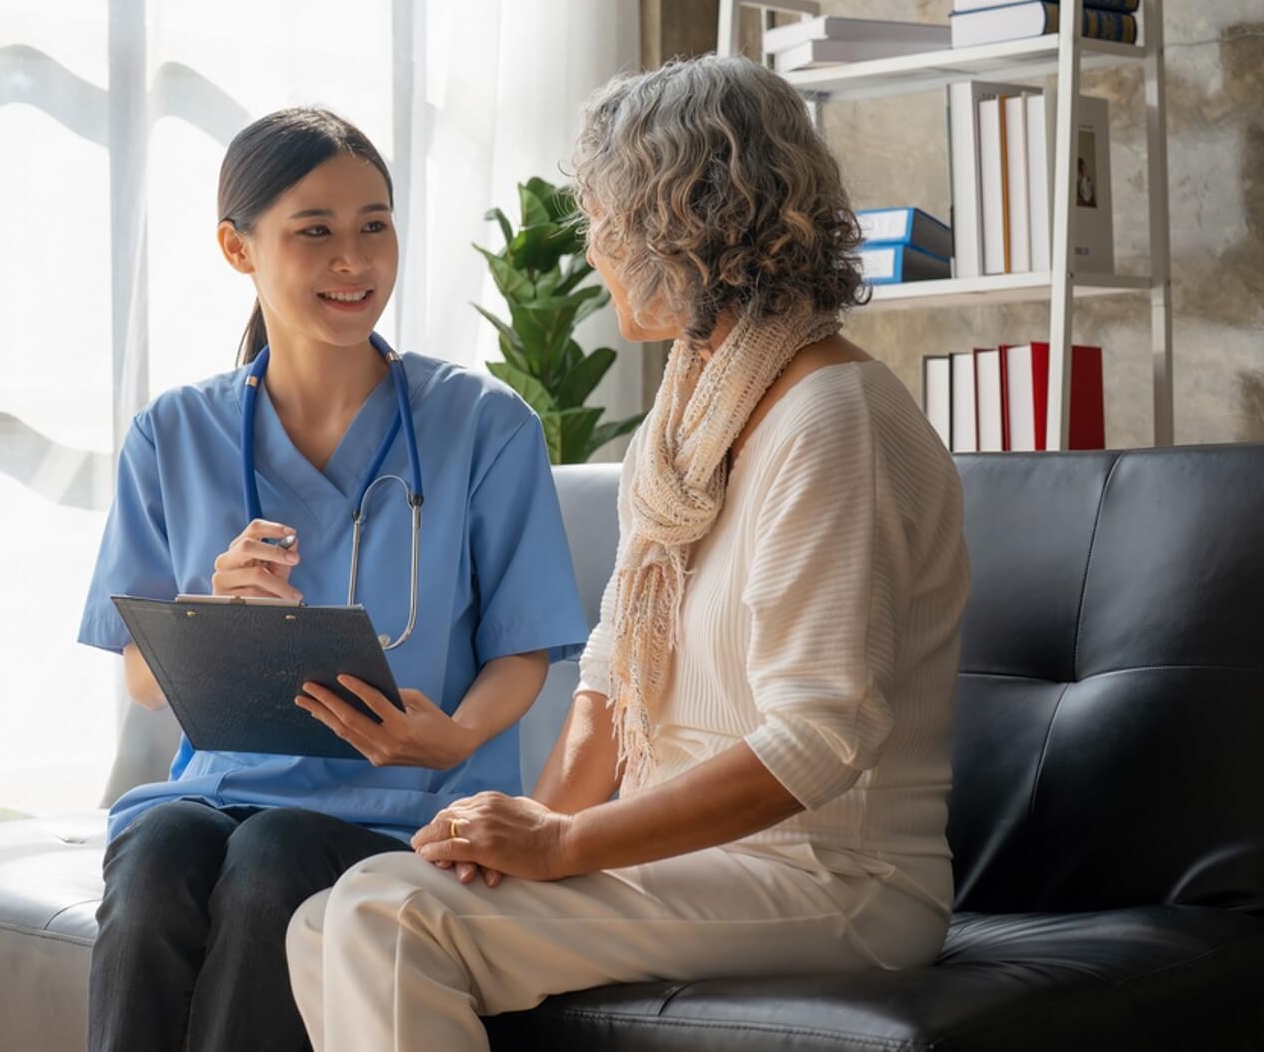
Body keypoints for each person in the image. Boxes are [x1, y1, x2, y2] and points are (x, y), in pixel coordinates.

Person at [285, 54, 973, 1051]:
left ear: (682, 226)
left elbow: (818, 741)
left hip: (834, 878)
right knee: (333, 916)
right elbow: (612, 676)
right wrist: (514, 835)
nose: (595, 248)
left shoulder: (834, 419)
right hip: (697, 858)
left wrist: (565, 844)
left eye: (606, 218)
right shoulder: (688, 415)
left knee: (391, 919)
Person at [77, 107, 589, 1052]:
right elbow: (145, 681)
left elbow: (526, 650)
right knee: (153, 853)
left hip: (414, 807)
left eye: (375, 225)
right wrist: (209, 609)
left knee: (275, 855)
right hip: (223, 789)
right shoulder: (171, 434)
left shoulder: (485, 425)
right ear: (239, 247)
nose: (354, 260)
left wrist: (456, 736)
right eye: (315, 231)